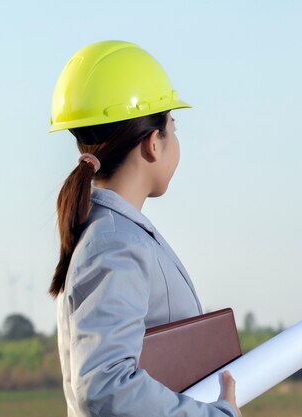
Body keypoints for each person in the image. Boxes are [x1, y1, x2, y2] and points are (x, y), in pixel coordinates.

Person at [48, 40, 242, 417]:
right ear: (154, 143)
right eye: (174, 125)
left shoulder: (111, 233)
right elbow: (105, 386)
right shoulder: (114, 242)